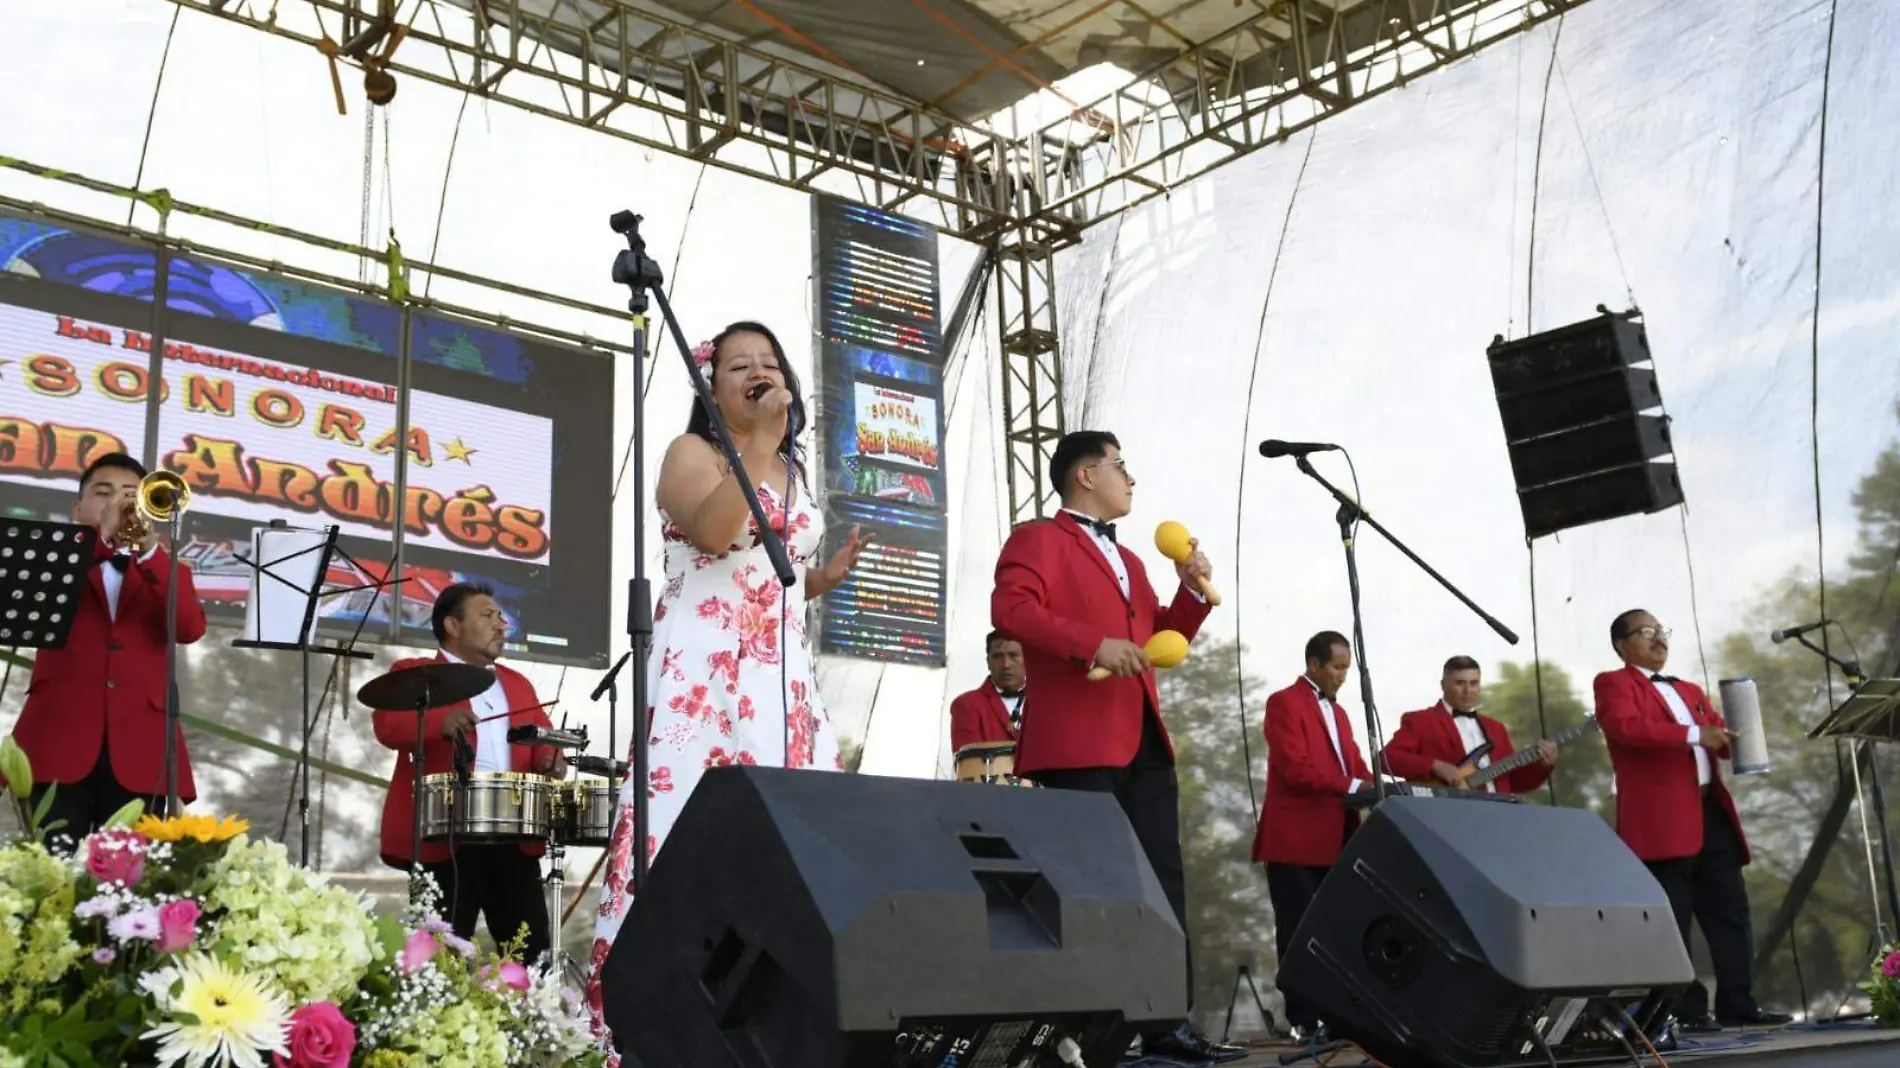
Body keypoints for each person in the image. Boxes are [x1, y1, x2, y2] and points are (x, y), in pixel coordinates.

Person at [585, 322, 871, 1039]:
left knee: (783, 844)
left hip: (780, 682)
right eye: (739, 364)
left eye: (770, 362)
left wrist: (818, 581)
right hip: (702, 677)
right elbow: (716, 535)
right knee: (688, 831)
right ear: (710, 388)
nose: (759, 371)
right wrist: (761, 440)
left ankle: (767, 1023)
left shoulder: (790, 471)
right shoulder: (695, 452)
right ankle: (643, 1024)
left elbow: (760, 577)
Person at [992, 430, 1241, 1065]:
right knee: (1089, 890)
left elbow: (1161, 638)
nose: (1131, 481)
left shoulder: (1130, 562)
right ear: (1084, 476)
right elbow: (1012, 609)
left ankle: (1167, 1024)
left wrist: (1190, 592)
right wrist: (1090, 645)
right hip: (1076, 743)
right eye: (1120, 467)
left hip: (1144, 737)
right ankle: (1084, 1032)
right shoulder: (1037, 540)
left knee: (1163, 882)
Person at [1595, 609, 1790, 1031]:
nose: (1658, 638)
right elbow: (1629, 729)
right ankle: (1687, 1012)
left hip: (1710, 811)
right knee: (1674, 919)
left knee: (1730, 912)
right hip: (1660, 820)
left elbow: (1719, 735)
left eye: (1661, 630)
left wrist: (1742, 732)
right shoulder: (1613, 683)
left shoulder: (1688, 689)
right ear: (1621, 645)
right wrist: (1694, 733)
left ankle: (1739, 1005)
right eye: (1645, 632)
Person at [8, 452, 206, 849]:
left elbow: (187, 627)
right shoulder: (51, 559)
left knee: (130, 885)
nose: (117, 501)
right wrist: (100, 540)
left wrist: (149, 551)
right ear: (77, 507)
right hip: (56, 742)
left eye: (131, 494)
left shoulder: (169, 570)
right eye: (103, 492)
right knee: (49, 877)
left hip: (143, 748)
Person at [373, 582, 568, 964]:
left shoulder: (517, 683)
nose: (501, 624)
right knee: (438, 960)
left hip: (512, 836)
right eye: (487, 615)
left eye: (501, 616)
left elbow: (542, 737)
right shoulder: (415, 674)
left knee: (531, 954)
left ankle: (534, 1021)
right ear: (452, 625)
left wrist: (550, 758)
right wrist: (438, 722)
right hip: (445, 837)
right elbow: (388, 727)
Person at [1253, 631, 1375, 1038]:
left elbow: (1355, 764)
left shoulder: (1339, 714)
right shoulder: (1283, 703)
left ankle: (1339, 1015)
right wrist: (1354, 787)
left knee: (1336, 928)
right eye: (1338, 668)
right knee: (1298, 928)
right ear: (1314, 665)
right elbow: (1296, 769)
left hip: (1337, 835)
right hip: (1295, 838)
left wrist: (1382, 787)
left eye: (1347, 669)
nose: (1343, 676)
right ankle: (1303, 1020)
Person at [1380, 655, 1558, 794]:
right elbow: (1385, 759)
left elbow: (1514, 782)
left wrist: (1543, 766)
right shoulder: (1421, 721)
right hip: (1448, 815)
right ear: (1443, 685)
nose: (1468, 690)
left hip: (1500, 817)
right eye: (1460, 683)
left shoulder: (1496, 729)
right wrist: (1435, 765)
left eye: (1474, 683)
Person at [948, 631, 1027, 751]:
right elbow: (969, 764)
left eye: (1013, 655)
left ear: (1028, 660)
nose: (1006, 664)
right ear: (988, 662)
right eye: (998, 656)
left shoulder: (1048, 702)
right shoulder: (967, 705)